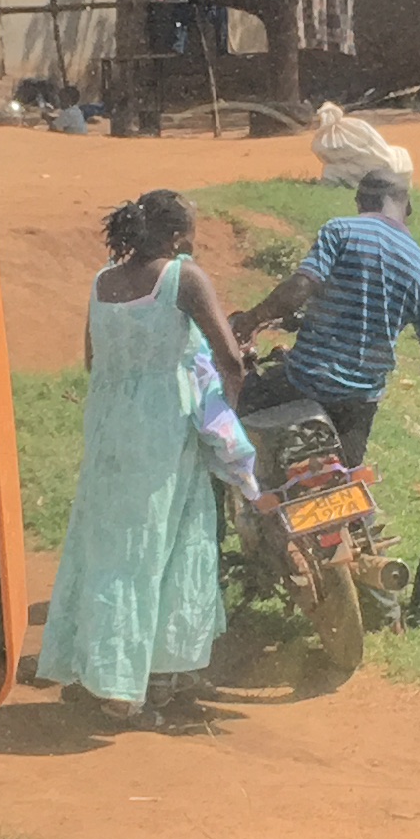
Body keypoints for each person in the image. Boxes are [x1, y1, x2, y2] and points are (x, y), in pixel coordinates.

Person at [53, 189, 256, 727]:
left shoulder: (102, 283)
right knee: (160, 544)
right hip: (164, 427)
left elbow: (93, 358)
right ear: (173, 237)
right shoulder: (183, 278)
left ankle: (99, 671)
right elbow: (230, 358)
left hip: (108, 426)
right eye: (191, 232)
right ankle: (140, 683)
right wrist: (222, 418)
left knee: (108, 546)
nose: (194, 241)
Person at [249, 152, 420, 470]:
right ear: (406, 208)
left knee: (236, 408)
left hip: (305, 383)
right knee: (345, 475)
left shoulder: (341, 231)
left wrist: (249, 320)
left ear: (360, 202)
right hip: (359, 402)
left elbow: (299, 289)